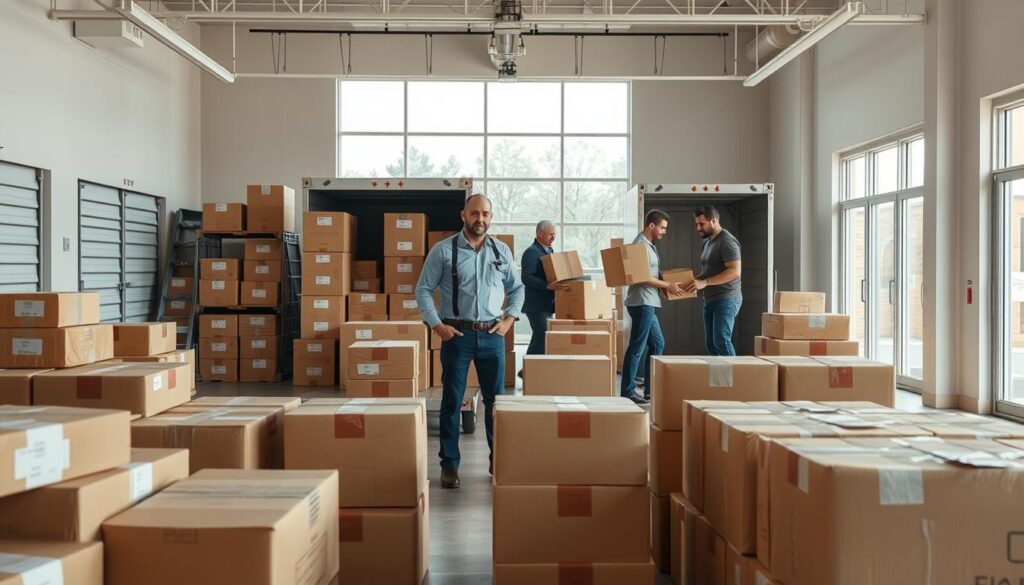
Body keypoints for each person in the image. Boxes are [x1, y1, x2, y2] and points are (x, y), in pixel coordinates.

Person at [415, 194, 525, 489]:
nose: (481, 219)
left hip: (492, 336)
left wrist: (509, 320)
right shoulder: (443, 251)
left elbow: (517, 289)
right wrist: (437, 325)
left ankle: (497, 460)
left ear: (491, 217)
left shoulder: (501, 251)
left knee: (495, 403)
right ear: (463, 215)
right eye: (475, 213)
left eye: (486, 214)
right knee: (452, 402)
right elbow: (423, 289)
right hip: (457, 335)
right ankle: (449, 465)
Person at [619, 209, 685, 404]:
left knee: (657, 343)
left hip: (649, 301)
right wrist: (668, 286)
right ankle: (628, 391)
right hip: (642, 302)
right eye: (662, 228)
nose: (664, 231)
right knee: (637, 346)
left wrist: (665, 284)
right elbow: (641, 277)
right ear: (651, 225)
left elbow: (652, 273)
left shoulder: (648, 245)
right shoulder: (639, 245)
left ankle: (649, 390)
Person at [683, 205, 743, 356]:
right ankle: (720, 379)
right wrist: (689, 281)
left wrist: (705, 282)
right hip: (710, 299)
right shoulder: (708, 242)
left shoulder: (727, 241)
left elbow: (735, 271)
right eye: (697, 223)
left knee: (721, 341)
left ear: (713, 221)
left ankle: (735, 379)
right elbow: (706, 272)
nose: (698, 228)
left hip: (727, 298)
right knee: (711, 344)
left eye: (701, 224)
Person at [517, 220, 562, 378]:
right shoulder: (531, 252)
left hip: (546, 305)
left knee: (538, 336)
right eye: (551, 234)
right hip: (536, 306)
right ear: (540, 234)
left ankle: (527, 369)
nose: (553, 237)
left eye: (555, 234)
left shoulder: (549, 250)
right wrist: (547, 286)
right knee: (543, 335)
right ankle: (531, 370)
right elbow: (526, 277)